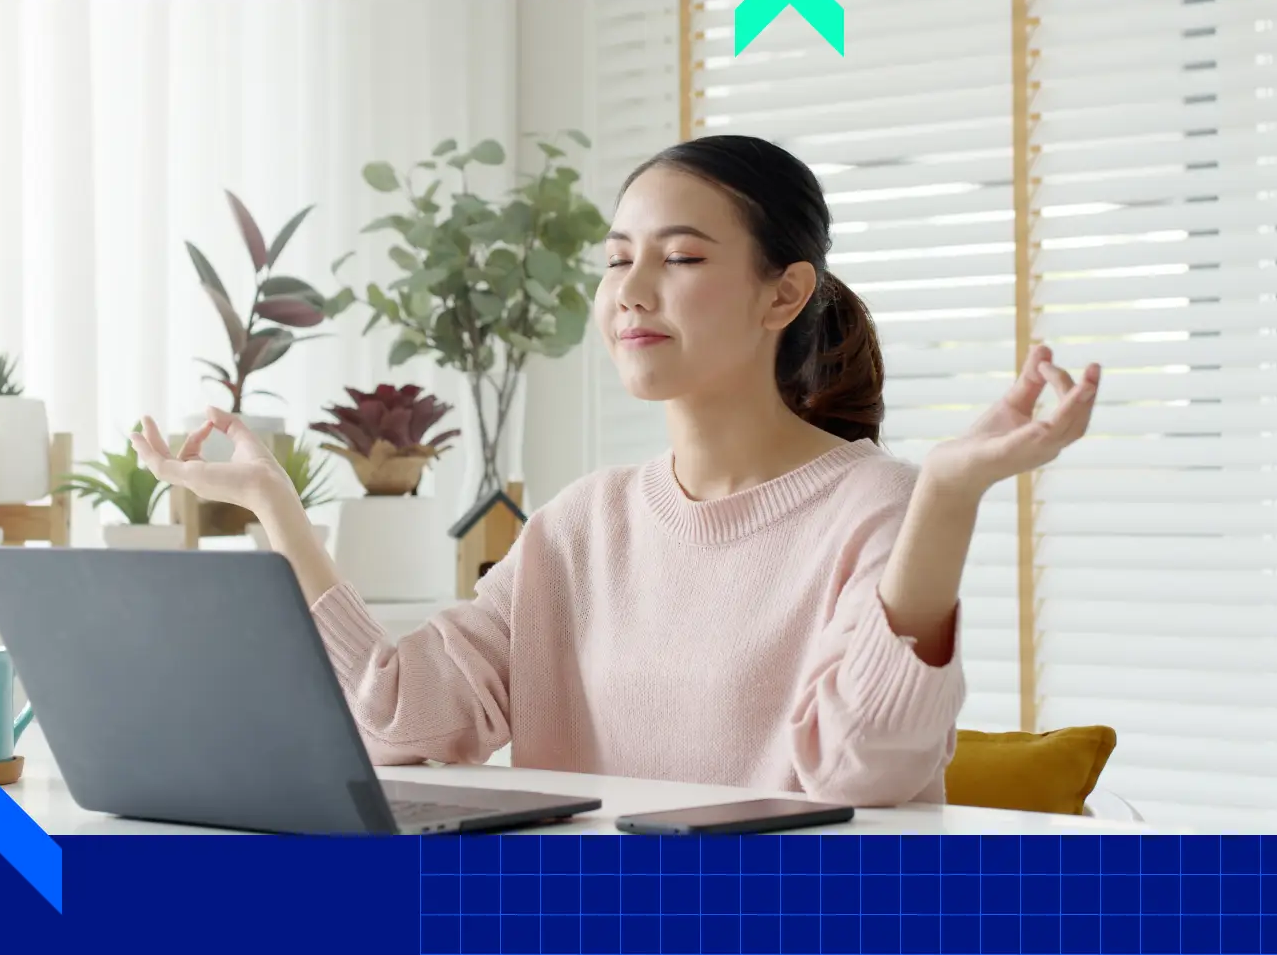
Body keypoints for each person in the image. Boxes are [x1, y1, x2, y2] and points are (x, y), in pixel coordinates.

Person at [131, 135, 1099, 807]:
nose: (630, 292)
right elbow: (397, 718)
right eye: (615, 260)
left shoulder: (872, 504)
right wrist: (274, 507)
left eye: (679, 257)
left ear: (785, 293)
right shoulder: (580, 524)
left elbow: (861, 775)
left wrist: (950, 493)